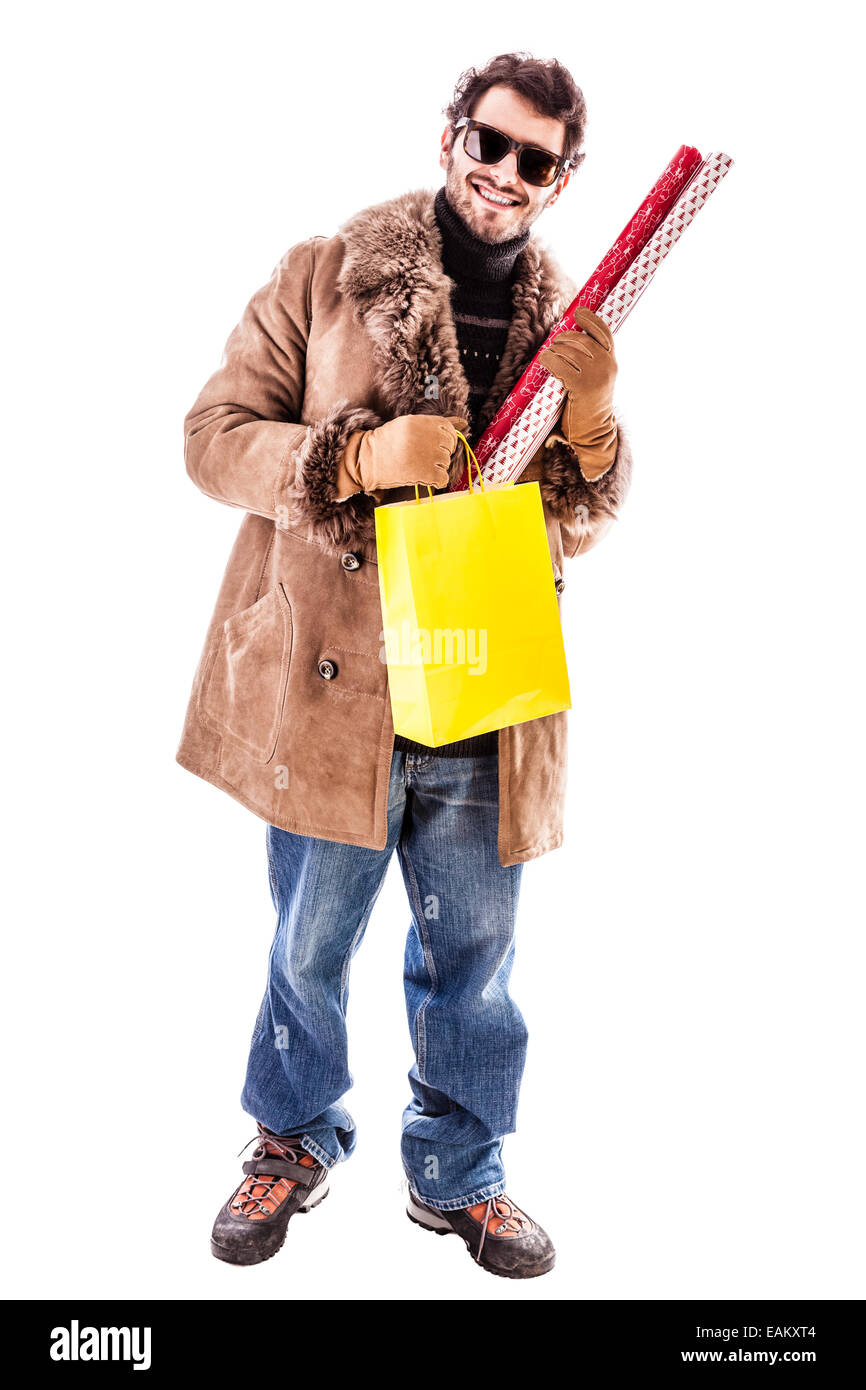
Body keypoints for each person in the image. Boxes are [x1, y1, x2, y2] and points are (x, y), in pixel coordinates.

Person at [176, 50, 633, 1279]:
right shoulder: (325, 274)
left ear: (560, 178)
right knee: (308, 944)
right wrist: (353, 462)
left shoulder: (571, 318)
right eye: (489, 142)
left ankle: (461, 1175)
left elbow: (581, 507)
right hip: (340, 686)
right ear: (450, 137)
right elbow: (211, 440)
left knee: (474, 961)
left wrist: (589, 424)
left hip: (485, 685)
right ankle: (289, 1137)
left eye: (534, 159)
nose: (503, 172)